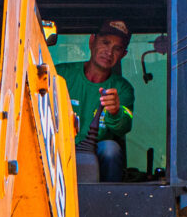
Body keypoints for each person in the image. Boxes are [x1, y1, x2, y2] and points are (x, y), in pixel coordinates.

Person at [54, 20, 134, 181]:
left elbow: (124, 125)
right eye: (105, 43)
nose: (109, 52)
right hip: (57, 146)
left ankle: (112, 201)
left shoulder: (122, 88)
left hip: (94, 150)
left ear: (123, 55)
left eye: (117, 48)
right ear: (92, 41)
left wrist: (116, 112)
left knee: (110, 149)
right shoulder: (60, 74)